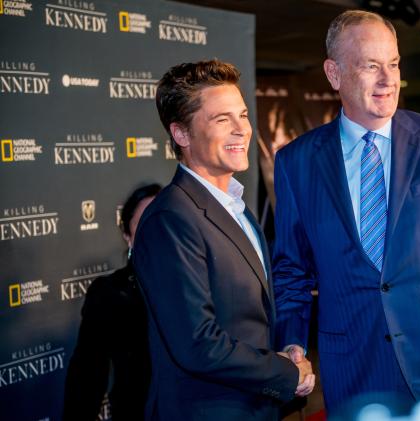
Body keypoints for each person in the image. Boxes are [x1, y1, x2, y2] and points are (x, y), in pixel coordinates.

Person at [272, 10, 420, 413]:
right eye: (370, 66)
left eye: (394, 64)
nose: (388, 79)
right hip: (354, 369)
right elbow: (292, 270)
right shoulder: (297, 162)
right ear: (334, 74)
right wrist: (292, 343)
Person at [132, 59, 314, 421]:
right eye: (221, 119)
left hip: (256, 408)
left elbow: (253, 317)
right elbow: (197, 344)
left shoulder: (239, 209)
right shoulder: (170, 219)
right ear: (181, 134)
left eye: (243, 115)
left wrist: (290, 351)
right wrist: (286, 374)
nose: (242, 130)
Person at [63, 183, 160, 421]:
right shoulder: (110, 293)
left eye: (164, 221)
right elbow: (86, 378)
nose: (157, 233)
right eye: (144, 224)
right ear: (128, 236)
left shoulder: (203, 284)